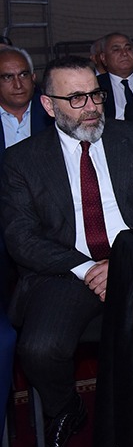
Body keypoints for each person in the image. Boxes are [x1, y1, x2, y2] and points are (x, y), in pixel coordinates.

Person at [0, 56, 133, 447]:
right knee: (40, 349)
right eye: (76, 98)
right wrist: (87, 268)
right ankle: (66, 408)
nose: (91, 107)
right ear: (48, 105)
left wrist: (123, 262)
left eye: (95, 94)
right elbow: (21, 238)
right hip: (65, 271)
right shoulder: (22, 160)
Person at [0, 47, 54, 301]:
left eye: (23, 75)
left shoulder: (54, 113)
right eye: (7, 77)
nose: (18, 84)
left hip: (50, 223)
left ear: (34, 78)